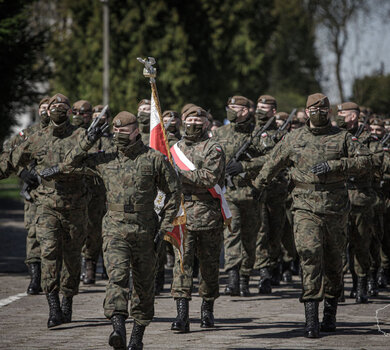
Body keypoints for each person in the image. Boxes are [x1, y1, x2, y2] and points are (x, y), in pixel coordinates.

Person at [41, 111, 181, 350]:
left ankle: (137, 335)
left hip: (146, 229)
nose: (118, 136)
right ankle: (118, 327)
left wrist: (165, 226)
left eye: (124, 132)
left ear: (136, 131)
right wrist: (88, 139)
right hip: (115, 227)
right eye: (115, 132)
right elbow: (69, 164)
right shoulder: (104, 160)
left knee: (143, 285)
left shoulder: (154, 159)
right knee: (116, 278)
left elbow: (173, 192)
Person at [253, 93, 372, 338]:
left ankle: (330, 312)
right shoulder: (293, 138)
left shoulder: (342, 138)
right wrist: (257, 186)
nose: (318, 113)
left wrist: (337, 166)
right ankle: (311, 318)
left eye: (323, 109)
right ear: (307, 112)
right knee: (309, 253)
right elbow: (272, 163)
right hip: (305, 207)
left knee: (334, 261)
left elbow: (367, 161)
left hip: (335, 209)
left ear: (329, 112)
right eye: (313, 109)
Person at [0, 93, 88, 328]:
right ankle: (54, 307)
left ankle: (67, 300)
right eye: (53, 106)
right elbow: (10, 159)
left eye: (62, 106)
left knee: (71, 259)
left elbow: (96, 165)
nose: (57, 109)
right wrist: (21, 173)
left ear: (69, 111)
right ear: (47, 112)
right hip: (46, 207)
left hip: (75, 208)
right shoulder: (36, 138)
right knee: (48, 253)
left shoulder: (81, 137)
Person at [170, 106, 226, 332]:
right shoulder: (174, 148)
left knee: (209, 266)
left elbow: (208, 178)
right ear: (183, 121)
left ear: (205, 122)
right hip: (182, 214)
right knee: (181, 265)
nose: (193, 123)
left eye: (198, 119)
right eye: (189, 119)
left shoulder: (214, 148)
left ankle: (207, 309)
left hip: (208, 214)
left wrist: (179, 173)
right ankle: (182, 315)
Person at [213, 96, 271, 296]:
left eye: (234, 107)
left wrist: (244, 166)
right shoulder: (220, 133)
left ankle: (245, 276)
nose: (230, 110)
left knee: (250, 237)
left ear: (245, 111)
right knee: (231, 233)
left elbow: (271, 159)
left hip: (253, 192)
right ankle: (233, 278)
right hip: (229, 193)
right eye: (229, 106)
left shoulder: (258, 134)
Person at [0, 96, 50, 295]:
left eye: (51, 107)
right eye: (44, 108)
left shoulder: (67, 134)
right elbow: (8, 154)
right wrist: (22, 173)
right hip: (34, 194)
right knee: (33, 234)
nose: (47, 111)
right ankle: (35, 278)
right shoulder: (28, 134)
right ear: (39, 111)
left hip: (58, 195)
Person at [336, 102, 377, 302]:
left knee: (361, 242)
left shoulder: (369, 138)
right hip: (338, 198)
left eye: (342, 113)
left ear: (353, 116)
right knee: (338, 244)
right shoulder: (335, 135)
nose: (339, 115)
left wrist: (344, 166)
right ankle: (339, 286)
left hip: (360, 197)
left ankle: (360, 284)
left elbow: (374, 162)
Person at [253, 95, 288, 293]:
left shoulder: (281, 133)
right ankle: (263, 272)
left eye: (265, 107)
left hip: (277, 189)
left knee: (276, 231)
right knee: (261, 230)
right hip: (257, 189)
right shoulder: (251, 129)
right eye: (259, 106)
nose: (261, 110)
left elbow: (278, 159)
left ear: (273, 111)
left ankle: (274, 263)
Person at [81, 104, 113, 284]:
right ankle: (90, 265)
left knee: (109, 230)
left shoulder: (114, 139)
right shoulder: (87, 137)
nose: (98, 118)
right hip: (91, 191)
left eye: (102, 116)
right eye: (95, 115)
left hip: (109, 191)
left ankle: (108, 267)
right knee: (92, 230)